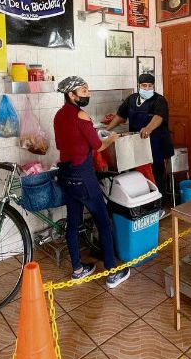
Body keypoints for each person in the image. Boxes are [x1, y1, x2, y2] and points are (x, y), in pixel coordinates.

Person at [54, 76, 130, 289]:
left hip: (66, 175)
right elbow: (97, 146)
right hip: (83, 176)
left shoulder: (59, 116)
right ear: (72, 94)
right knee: (104, 222)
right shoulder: (81, 115)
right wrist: (112, 138)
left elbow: (62, 143)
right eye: (84, 90)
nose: (88, 93)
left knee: (73, 221)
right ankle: (112, 273)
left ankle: (78, 269)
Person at [105, 74, 174, 193]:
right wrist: (107, 129)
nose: (147, 89)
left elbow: (159, 117)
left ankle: (158, 200)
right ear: (138, 86)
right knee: (138, 174)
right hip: (137, 143)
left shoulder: (159, 100)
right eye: (144, 86)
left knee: (156, 173)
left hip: (156, 144)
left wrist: (148, 128)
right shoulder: (131, 99)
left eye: (150, 86)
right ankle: (142, 200)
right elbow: (121, 116)